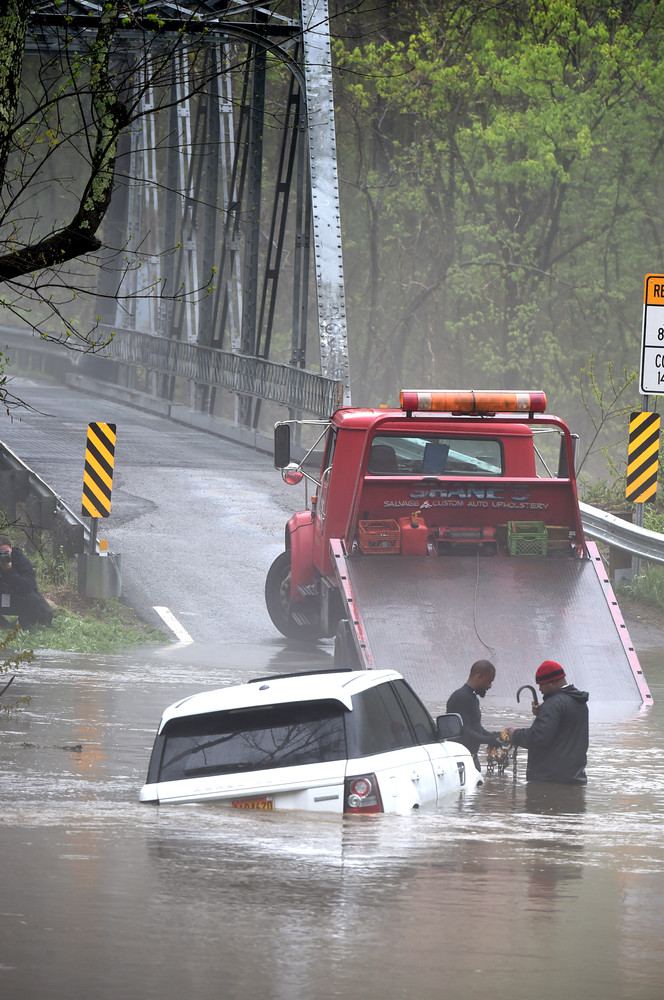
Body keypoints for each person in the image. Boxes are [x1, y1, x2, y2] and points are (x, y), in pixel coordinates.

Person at [507, 660, 588, 784]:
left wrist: (515, 734)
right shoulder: (579, 702)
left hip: (549, 780)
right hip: (575, 777)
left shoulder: (552, 704)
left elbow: (537, 737)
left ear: (553, 682)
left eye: (541, 685)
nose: (540, 689)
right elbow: (564, 729)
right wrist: (543, 712)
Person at [446, 659, 504, 770]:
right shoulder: (462, 697)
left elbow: (475, 726)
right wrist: (489, 740)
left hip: (471, 759)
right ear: (478, 676)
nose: (490, 686)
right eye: (489, 681)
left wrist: (491, 736)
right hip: (462, 762)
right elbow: (464, 731)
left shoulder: (472, 698)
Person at [0, 535, 53, 630]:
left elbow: (29, 587)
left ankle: (22, 625)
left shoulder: (20, 560)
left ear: (11, 548)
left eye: (6, 552)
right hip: (2, 597)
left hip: (17, 597)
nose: (3, 556)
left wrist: (9, 571)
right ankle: (3, 624)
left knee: (34, 599)